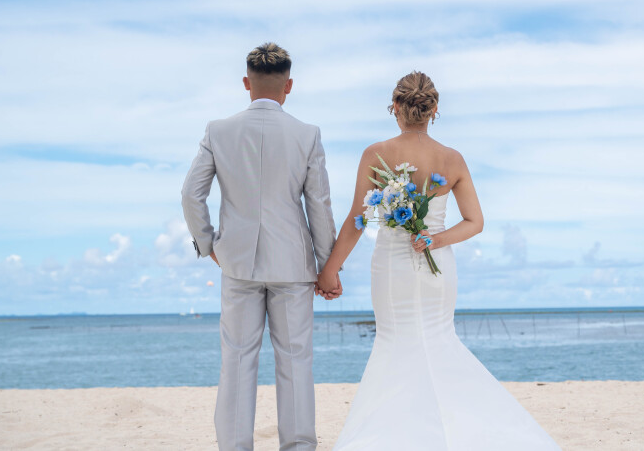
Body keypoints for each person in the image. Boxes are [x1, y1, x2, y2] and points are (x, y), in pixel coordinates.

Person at [316, 71, 562, 450]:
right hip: (438, 266)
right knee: (439, 341)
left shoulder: (377, 154)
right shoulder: (452, 158)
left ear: (395, 106)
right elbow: (475, 222)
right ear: (433, 110)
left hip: (393, 265)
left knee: (395, 343)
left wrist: (331, 269)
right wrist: (435, 239)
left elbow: (358, 219)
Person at [181, 42, 342, 451]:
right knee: (295, 361)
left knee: (236, 359)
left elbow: (190, 195)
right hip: (292, 264)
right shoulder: (307, 134)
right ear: (289, 86)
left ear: (245, 83)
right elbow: (318, 206)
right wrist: (328, 266)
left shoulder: (218, 130)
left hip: (236, 264)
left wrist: (208, 244)